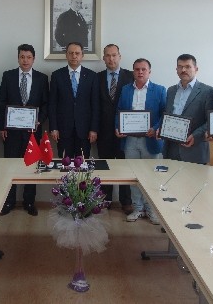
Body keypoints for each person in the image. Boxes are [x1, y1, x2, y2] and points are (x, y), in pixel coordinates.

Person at [0, 44, 49, 216]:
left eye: (28, 57)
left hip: (33, 132)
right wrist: (1, 126)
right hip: (11, 132)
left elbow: (46, 104)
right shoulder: (8, 76)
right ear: (18, 58)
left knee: (31, 167)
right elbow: (2, 102)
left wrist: (39, 121)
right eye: (22, 57)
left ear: (34, 59)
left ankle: (29, 202)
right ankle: (9, 201)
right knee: (10, 167)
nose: (25, 60)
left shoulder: (42, 78)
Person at [115, 58, 166, 225]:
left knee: (151, 177)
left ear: (149, 71)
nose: (140, 72)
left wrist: (156, 128)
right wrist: (118, 127)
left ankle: (152, 210)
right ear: (133, 72)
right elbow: (119, 111)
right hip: (130, 140)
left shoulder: (159, 90)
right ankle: (138, 208)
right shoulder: (125, 89)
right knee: (134, 177)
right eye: (137, 69)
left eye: (143, 69)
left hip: (150, 140)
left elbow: (164, 114)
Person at [96, 44, 133, 213]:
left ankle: (126, 201)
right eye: (108, 55)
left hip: (125, 131)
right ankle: (105, 199)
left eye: (114, 55)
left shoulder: (131, 76)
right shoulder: (97, 77)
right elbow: (93, 105)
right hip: (103, 130)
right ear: (103, 58)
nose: (111, 59)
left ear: (120, 56)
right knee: (105, 166)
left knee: (125, 166)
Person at [161, 54, 213, 164]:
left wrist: (196, 135)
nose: (183, 70)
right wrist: (161, 129)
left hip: (195, 150)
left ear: (196, 69)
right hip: (171, 149)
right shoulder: (171, 90)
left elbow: (212, 121)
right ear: (176, 69)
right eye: (180, 67)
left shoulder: (207, 91)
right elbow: (167, 115)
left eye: (187, 66)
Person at [49, 42, 100, 158]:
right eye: (71, 53)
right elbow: (52, 104)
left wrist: (94, 129)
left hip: (85, 130)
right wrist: (54, 128)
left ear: (82, 55)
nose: (74, 56)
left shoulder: (92, 76)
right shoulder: (57, 75)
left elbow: (95, 105)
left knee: (82, 163)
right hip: (63, 130)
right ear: (66, 55)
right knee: (65, 162)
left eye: (77, 53)